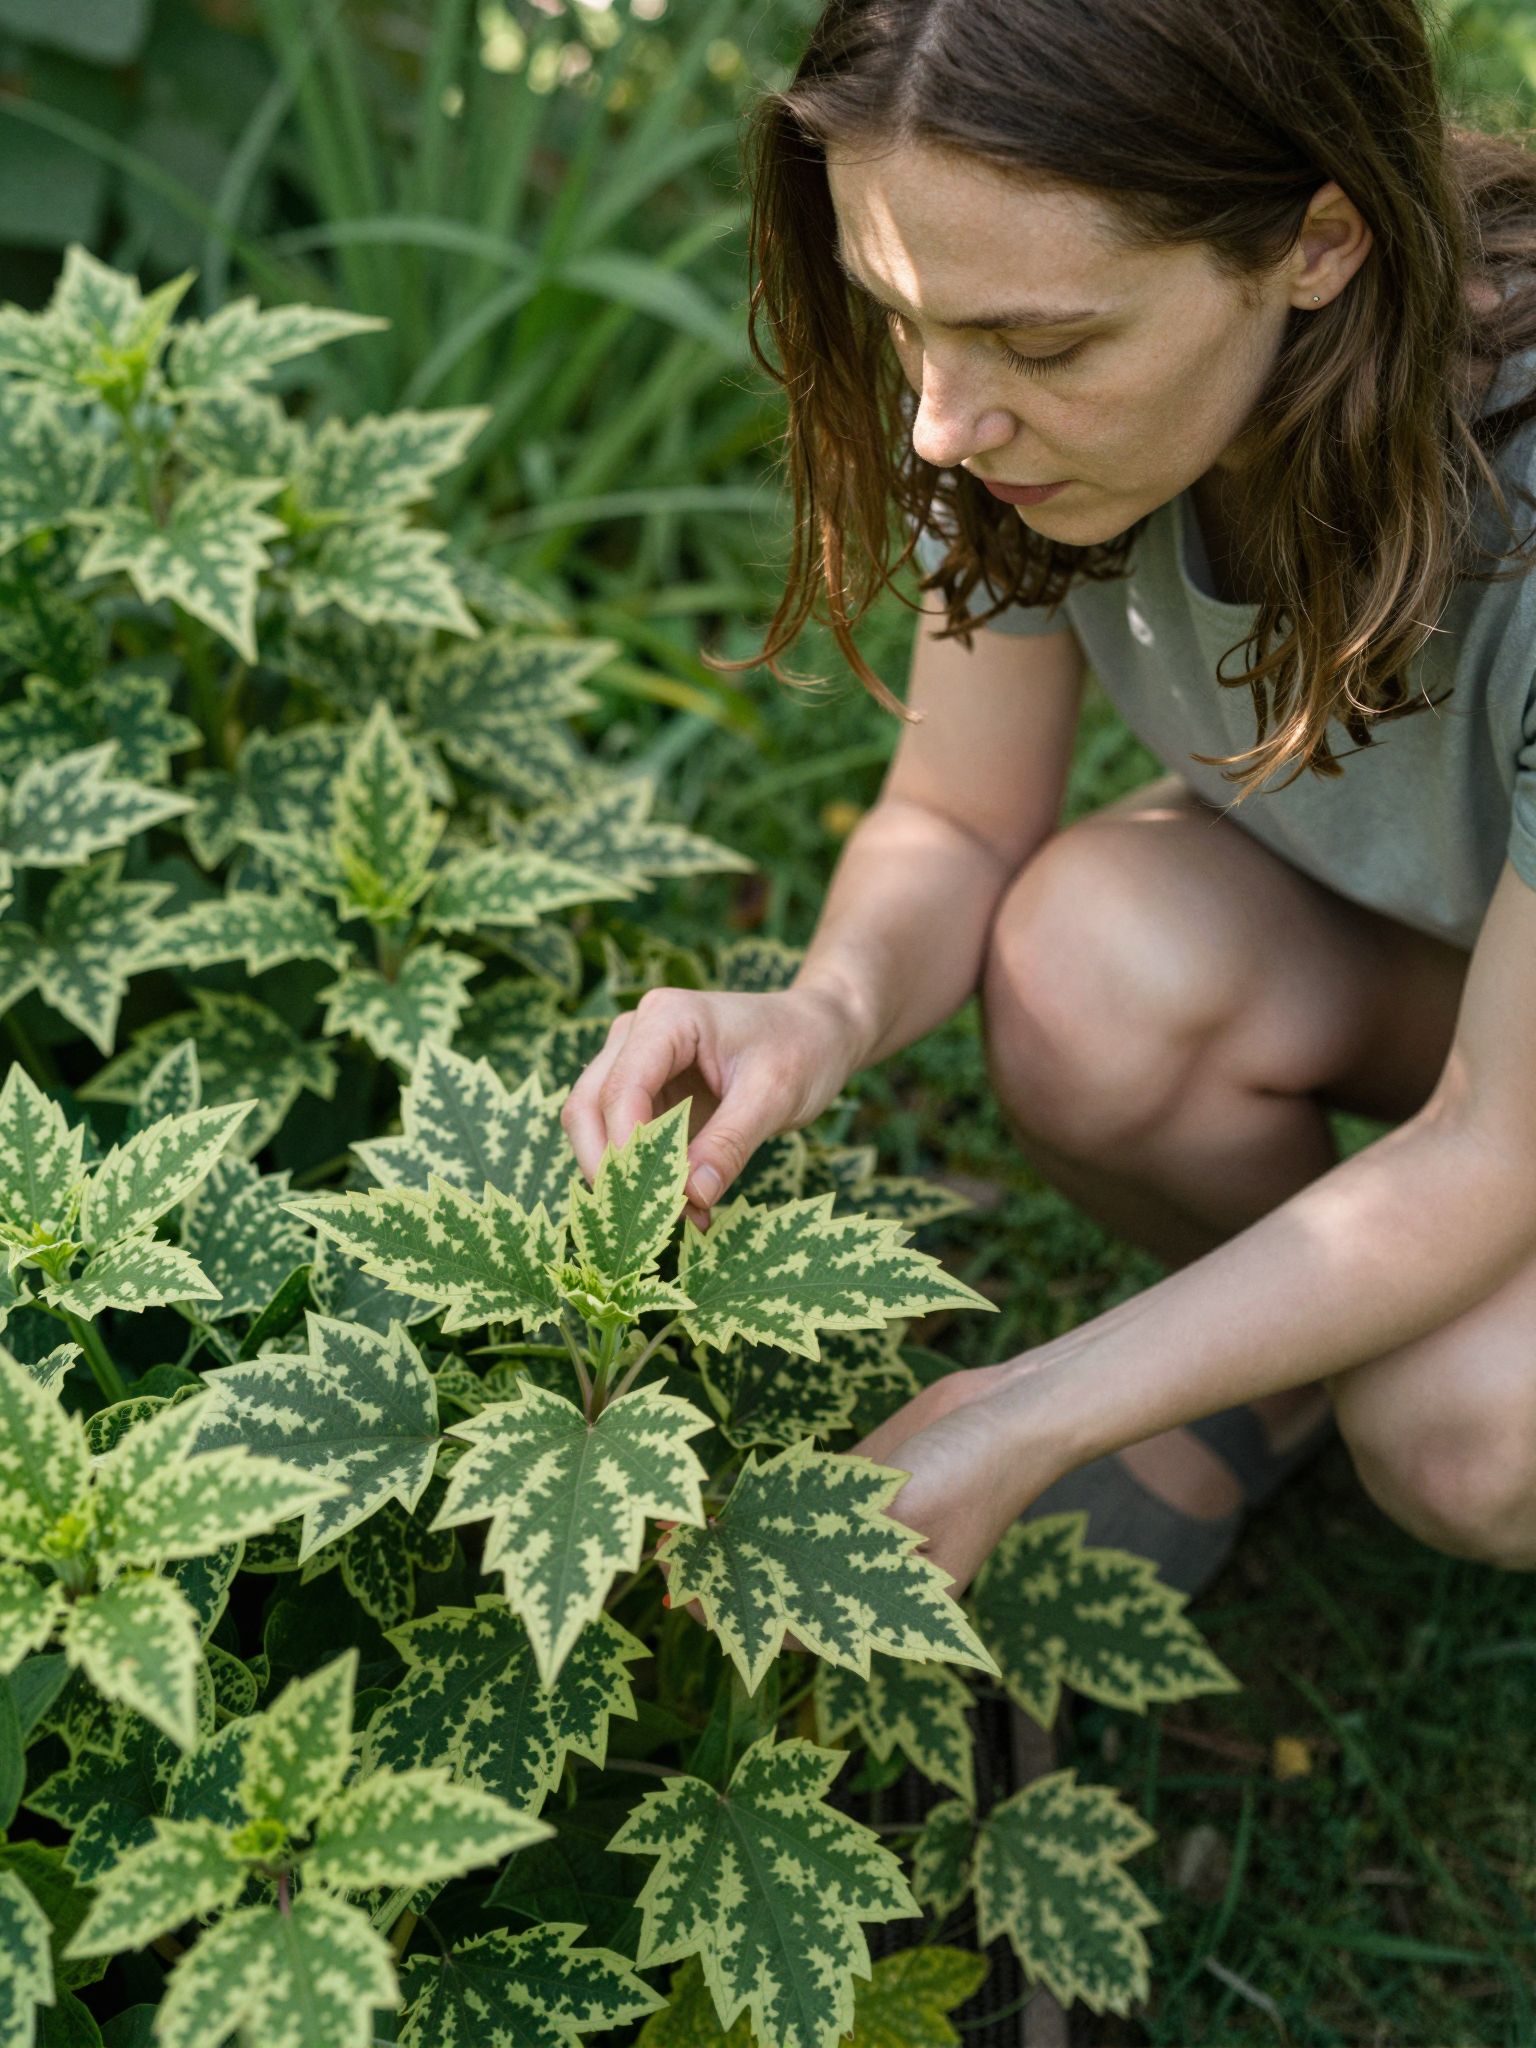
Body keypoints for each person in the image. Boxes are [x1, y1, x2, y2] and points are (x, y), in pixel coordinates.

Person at [560, 0, 1536, 1612]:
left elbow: (1500, 1143)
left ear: (1321, 240)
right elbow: (955, 820)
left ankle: (1348, 1348)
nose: (943, 422)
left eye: (1048, 343)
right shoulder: (1004, 394)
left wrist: (1027, 1410)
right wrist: (825, 1007)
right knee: (1090, 966)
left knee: (1462, 1425)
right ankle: (1271, 1360)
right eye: (900, 317)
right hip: (1479, 976)